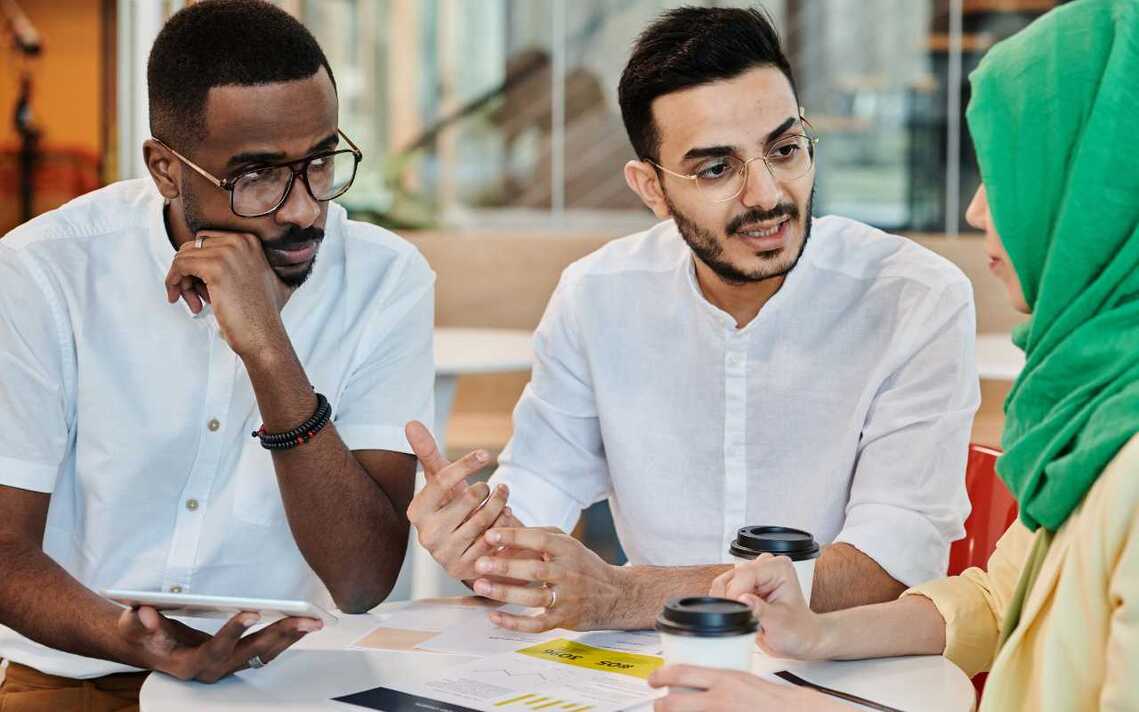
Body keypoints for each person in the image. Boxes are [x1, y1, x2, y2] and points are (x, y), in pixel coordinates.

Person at [405, 5, 979, 633]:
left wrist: (630, 594)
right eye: (716, 168)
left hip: (848, 675)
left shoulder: (915, 298)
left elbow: (890, 563)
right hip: (644, 675)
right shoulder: (598, 296)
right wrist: (482, 544)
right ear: (650, 188)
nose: (766, 195)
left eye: (785, 150)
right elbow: (536, 490)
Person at [649, 1, 1139, 709]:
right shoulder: (1095, 395)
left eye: (1005, 179)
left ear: (1100, 195)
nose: (973, 212)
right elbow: (1001, 599)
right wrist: (814, 634)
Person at [0, 1, 433, 707]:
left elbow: (360, 581)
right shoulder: (44, 272)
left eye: (321, 161)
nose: (302, 209)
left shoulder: (387, 278)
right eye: (257, 175)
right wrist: (135, 640)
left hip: (284, 685)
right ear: (167, 170)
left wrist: (268, 351)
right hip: (77, 676)